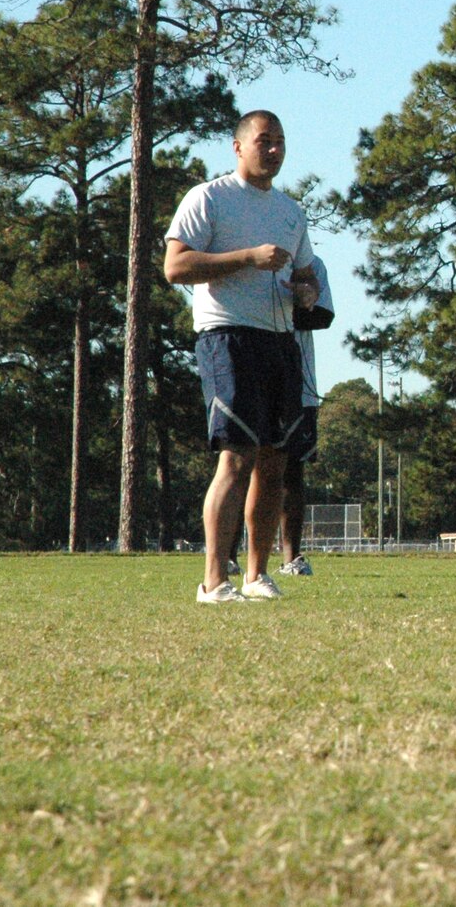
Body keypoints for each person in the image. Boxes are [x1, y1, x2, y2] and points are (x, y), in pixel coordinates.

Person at [164, 111, 318, 604]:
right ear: (237, 147)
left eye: (280, 142)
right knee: (236, 457)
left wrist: (306, 291)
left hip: (280, 341)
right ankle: (213, 581)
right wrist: (247, 257)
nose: (272, 150)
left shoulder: (292, 212)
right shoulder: (209, 198)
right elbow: (176, 265)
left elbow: (308, 273)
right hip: (228, 338)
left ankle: (257, 575)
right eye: (263, 141)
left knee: (274, 461)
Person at [227, 253, 332, 577]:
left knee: (291, 471)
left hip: (296, 379)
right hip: (247, 372)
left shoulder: (312, 264)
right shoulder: (241, 258)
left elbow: (324, 316)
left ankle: (292, 558)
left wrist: (292, 306)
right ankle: (228, 556)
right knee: (238, 466)